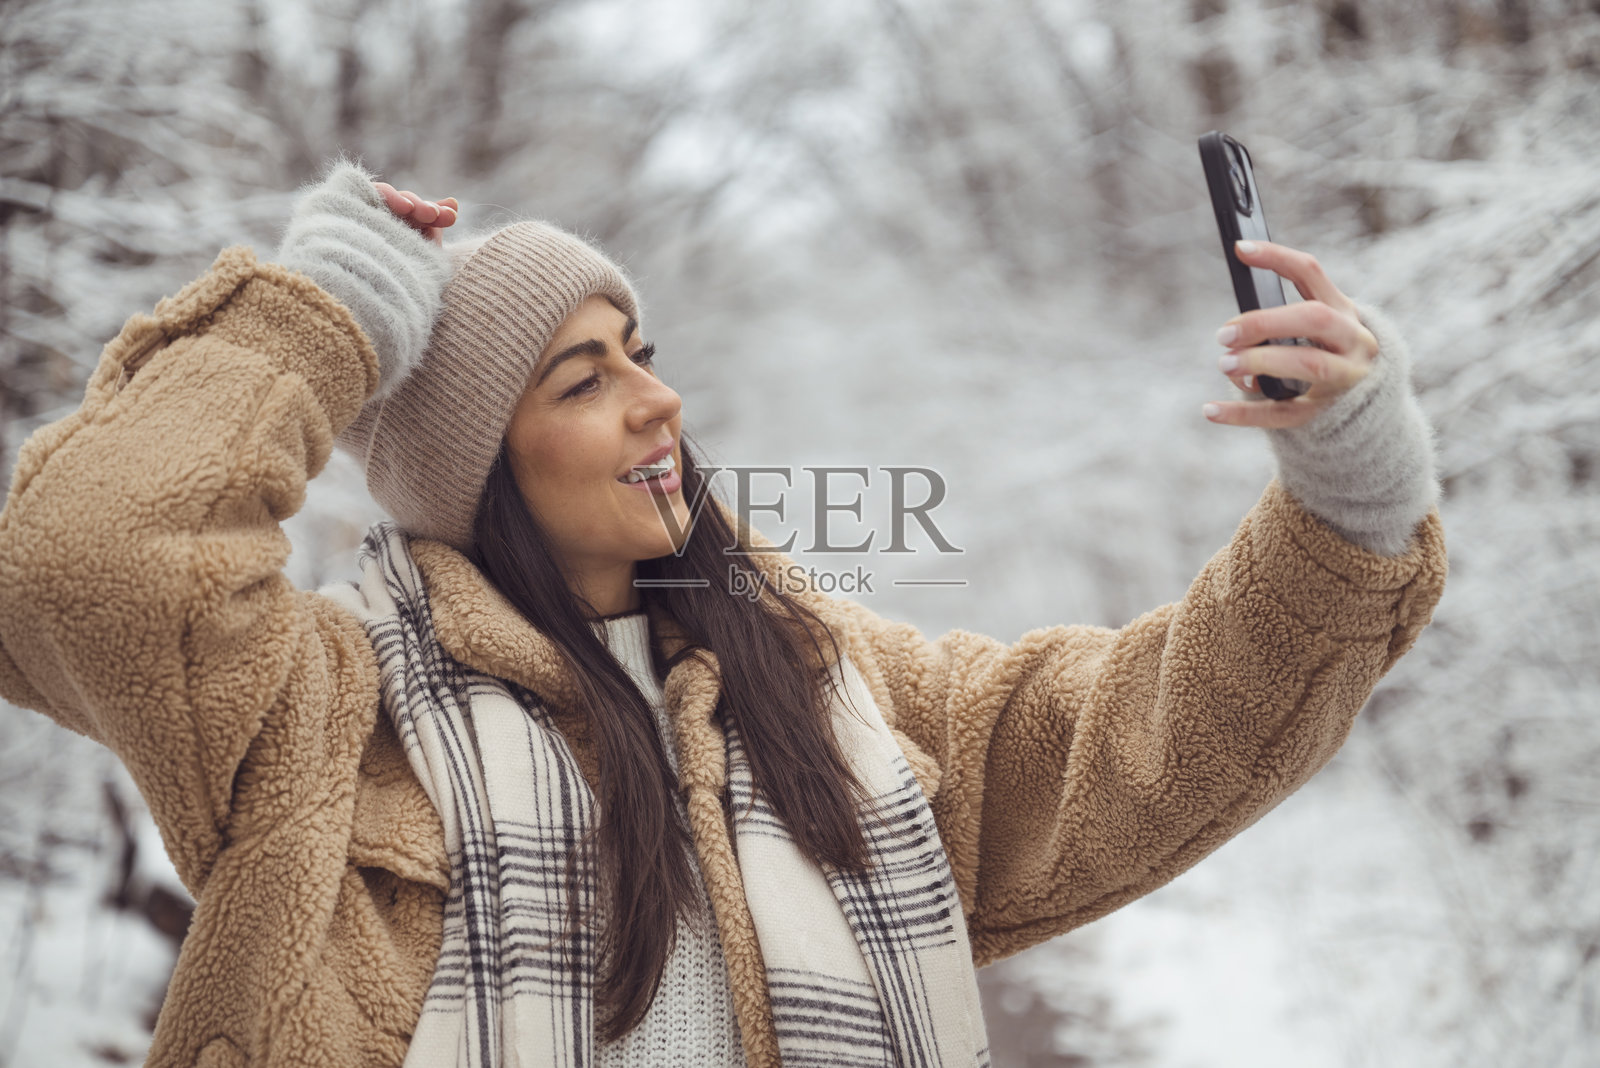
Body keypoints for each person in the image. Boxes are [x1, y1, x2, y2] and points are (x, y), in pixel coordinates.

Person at [0, 159, 1446, 1068]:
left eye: (644, 352)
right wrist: (315, 315)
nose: (660, 399)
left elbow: (1158, 734)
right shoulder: (321, 719)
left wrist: (1348, 493)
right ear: (477, 472)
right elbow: (87, 562)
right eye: (583, 379)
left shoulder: (835, 694)